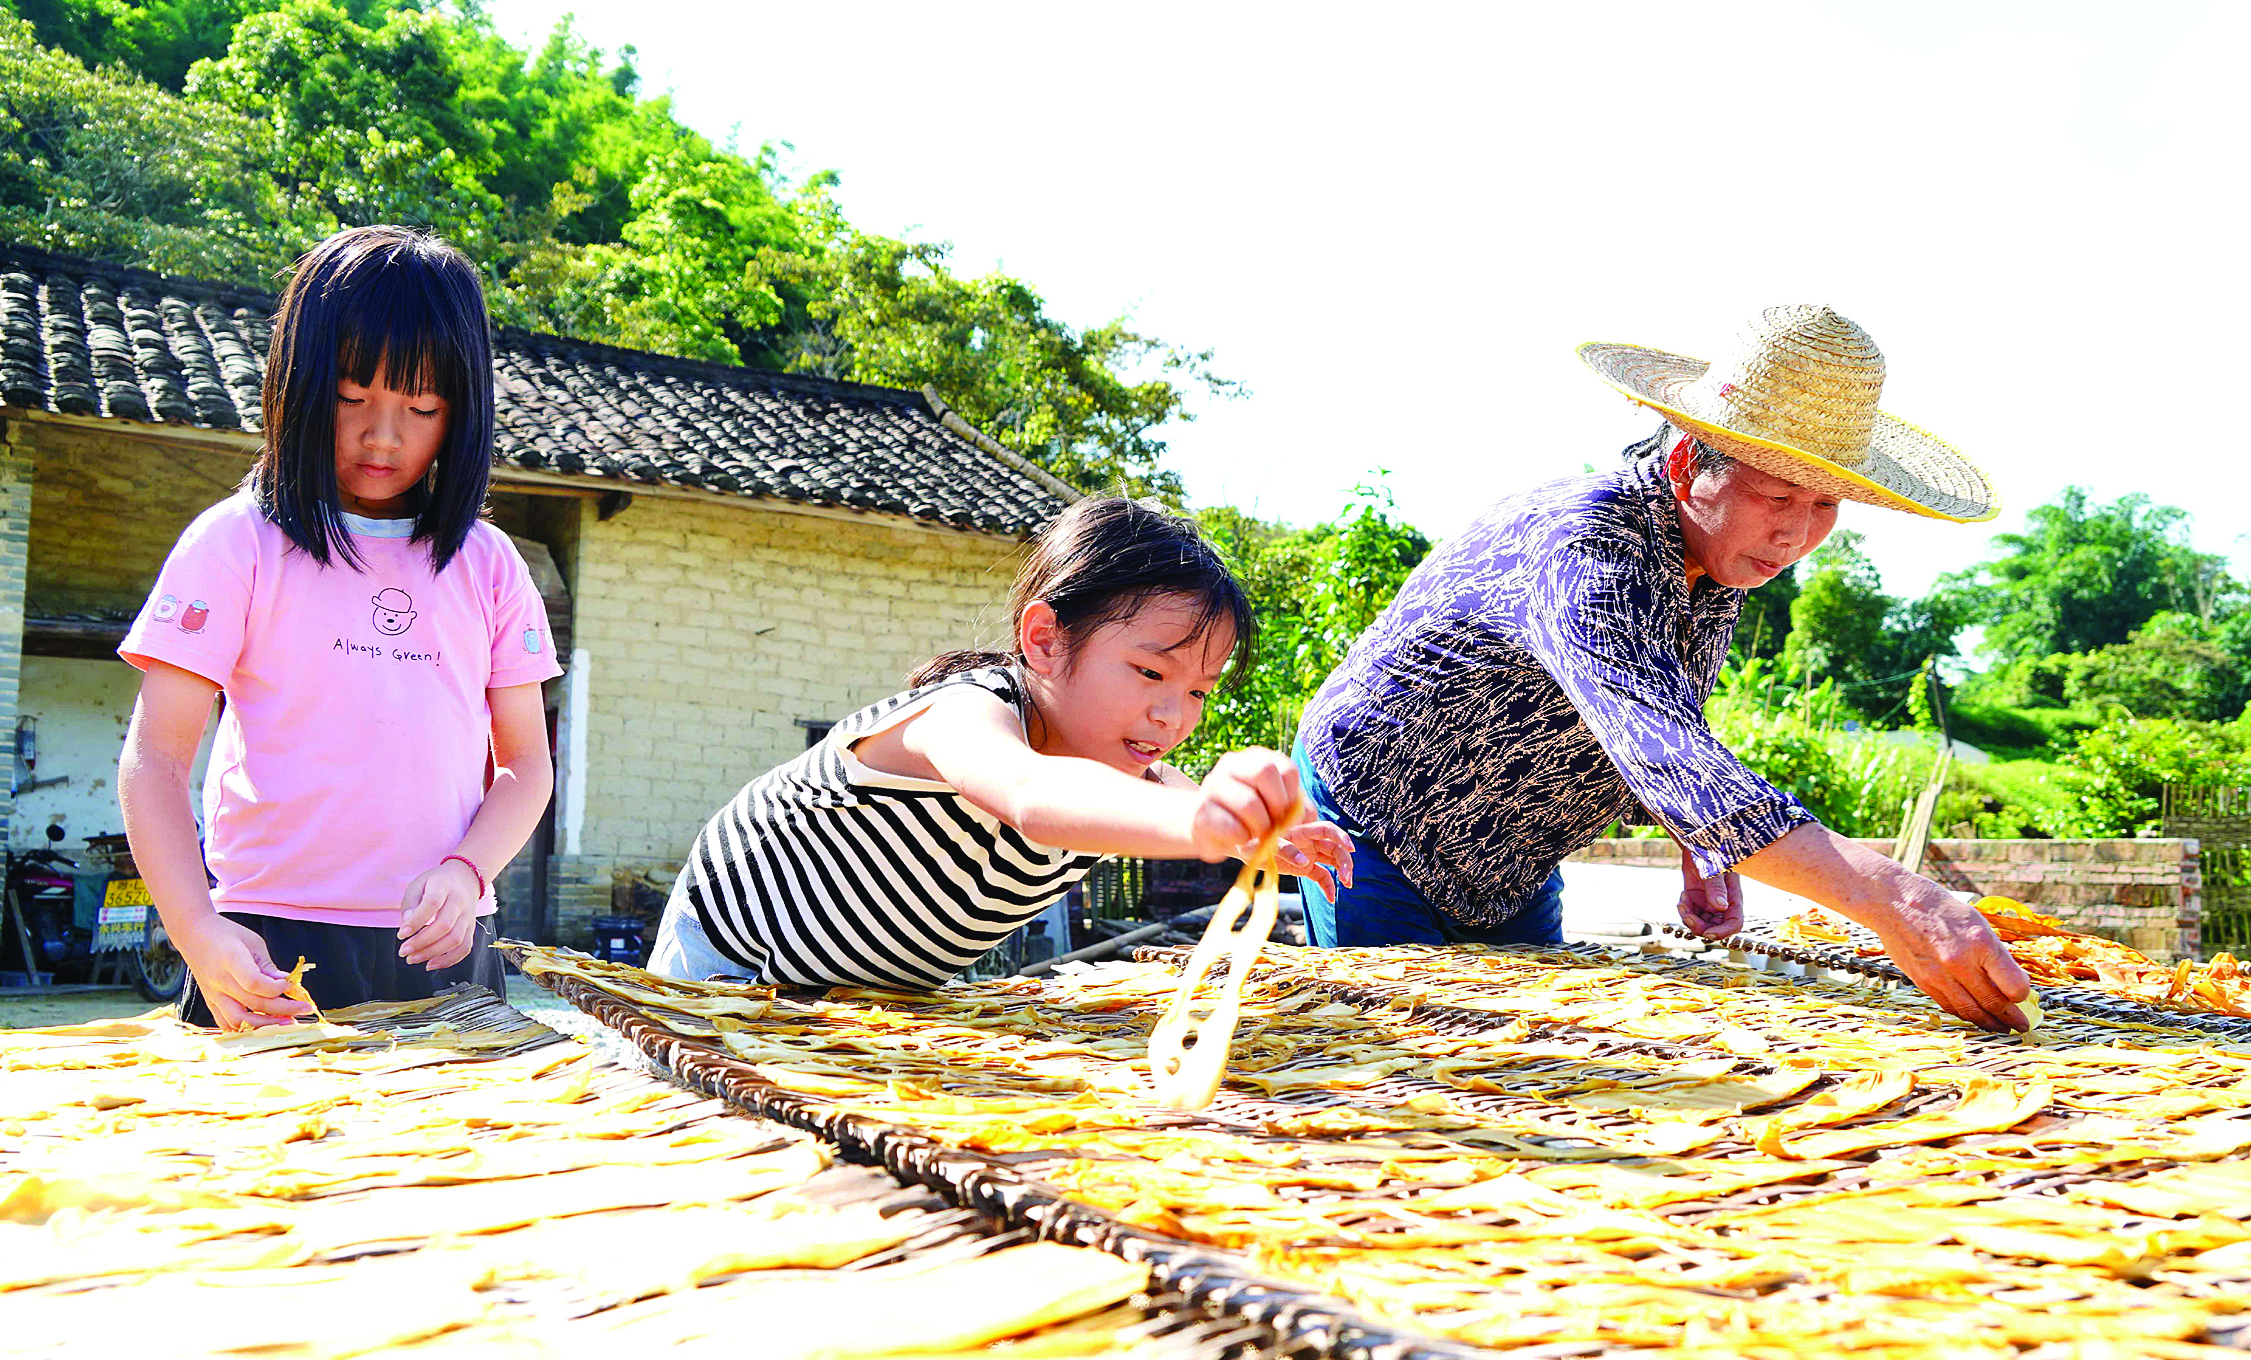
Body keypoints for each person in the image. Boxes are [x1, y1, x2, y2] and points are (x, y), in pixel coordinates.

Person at [1294, 305, 2036, 1031]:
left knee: (1523, 1043)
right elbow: (1657, 743)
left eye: (1824, 504)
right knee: (1405, 1054)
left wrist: (1699, 841)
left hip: (1513, 859)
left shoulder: (1717, 565)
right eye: (1778, 495)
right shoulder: (1588, 544)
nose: (1797, 533)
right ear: (1686, 464)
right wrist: (1900, 901)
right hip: (1377, 821)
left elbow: (1667, 715)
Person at [117, 225, 560, 1029]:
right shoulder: (236, 542)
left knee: (449, 1157)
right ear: (297, 384)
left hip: (443, 943)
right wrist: (199, 933)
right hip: (263, 946)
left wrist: (467, 871)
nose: (382, 435)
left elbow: (525, 767)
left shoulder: (491, 565)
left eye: (420, 407)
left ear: (462, 413)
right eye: (353, 398)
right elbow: (154, 762)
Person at [652, 496, 1354, 988]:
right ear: (1044, 640)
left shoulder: (1118, 771)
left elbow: (1177, 797)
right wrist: (1204, 822)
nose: (1173, 715)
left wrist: (1252, 833)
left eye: (1199, 691)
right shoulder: (963, 715)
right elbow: (1031, 794)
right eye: (1149, 671)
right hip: (726, 956)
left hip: (867, 994)